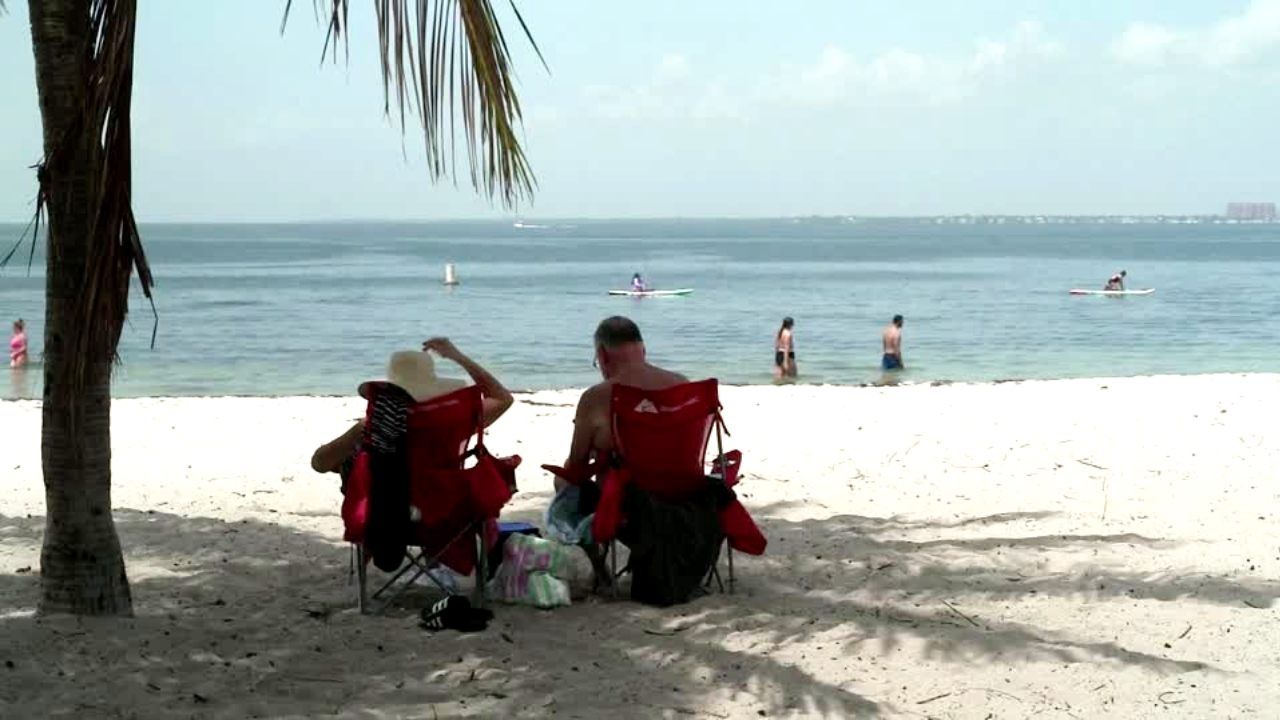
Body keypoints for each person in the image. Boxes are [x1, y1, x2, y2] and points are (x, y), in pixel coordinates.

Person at [310, 337, 513, 477]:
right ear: (434, 390)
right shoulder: (452, 422)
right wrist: (457, 356)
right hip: (443, 508)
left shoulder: (371, 427)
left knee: (349, 463)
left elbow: (319, 464)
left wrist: (354, 434)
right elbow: (502, 398)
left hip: (385, 516)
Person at [557, 316, 686, 491]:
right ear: (643, 350)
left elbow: (577, 467)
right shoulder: (682, 384)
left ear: (602, 355)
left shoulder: (596, 397)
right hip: (681, 493)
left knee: (562, 478)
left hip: (624, 505)